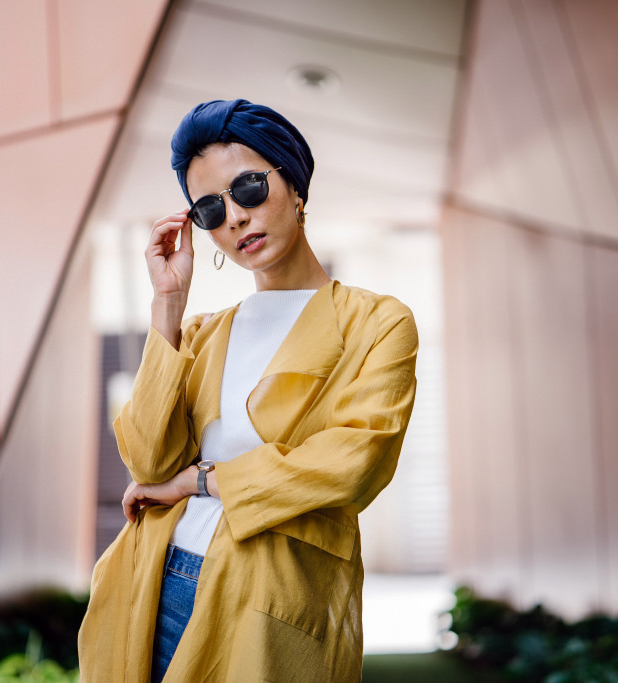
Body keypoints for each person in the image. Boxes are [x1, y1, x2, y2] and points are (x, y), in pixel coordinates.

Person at [77, 99, 418, 682]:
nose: (234, 217)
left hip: (269, 598)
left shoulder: (377, 322)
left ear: (295, 186)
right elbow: (146, 458)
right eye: (210, 207)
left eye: (249, 189)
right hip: (156, 580)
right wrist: (167, 304)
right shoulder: (202, 333)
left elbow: (352, 464)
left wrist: (200, 481)